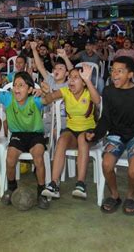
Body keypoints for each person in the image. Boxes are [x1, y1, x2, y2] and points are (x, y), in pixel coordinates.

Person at [0, 71, 50, 209]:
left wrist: (45, 92)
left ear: (30, 89)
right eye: (15, 85)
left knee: (38, 157)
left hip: (35, 135)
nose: (17, 88)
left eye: (21, 85)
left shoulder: (35, 100)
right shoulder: (8, 98)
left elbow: (48, 100)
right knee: (10, 158)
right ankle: (12, 187)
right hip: (18, 135)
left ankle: (42, 191)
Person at [85, 56, 134, 215]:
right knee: (107, 165)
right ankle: (114, 195)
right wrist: (95, 134)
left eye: (120, 71)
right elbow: (106, 119)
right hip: (116, 135)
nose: (114, 74)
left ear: (130, 74)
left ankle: (131, 196)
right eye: (113, 70)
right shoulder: (109, 91)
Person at [41, 65, 101, 199]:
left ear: (84, 81)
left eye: (76, 78)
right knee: (61, 140)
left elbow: (97, 100)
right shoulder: (66, 91)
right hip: (72, 130)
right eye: (70, 78)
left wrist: (88, 81)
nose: (71, 81)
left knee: (82, 139)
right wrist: (45, 92)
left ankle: (80, 183)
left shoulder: (88, 92)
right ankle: (54, 183)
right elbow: (48, 99)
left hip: (89, 132)